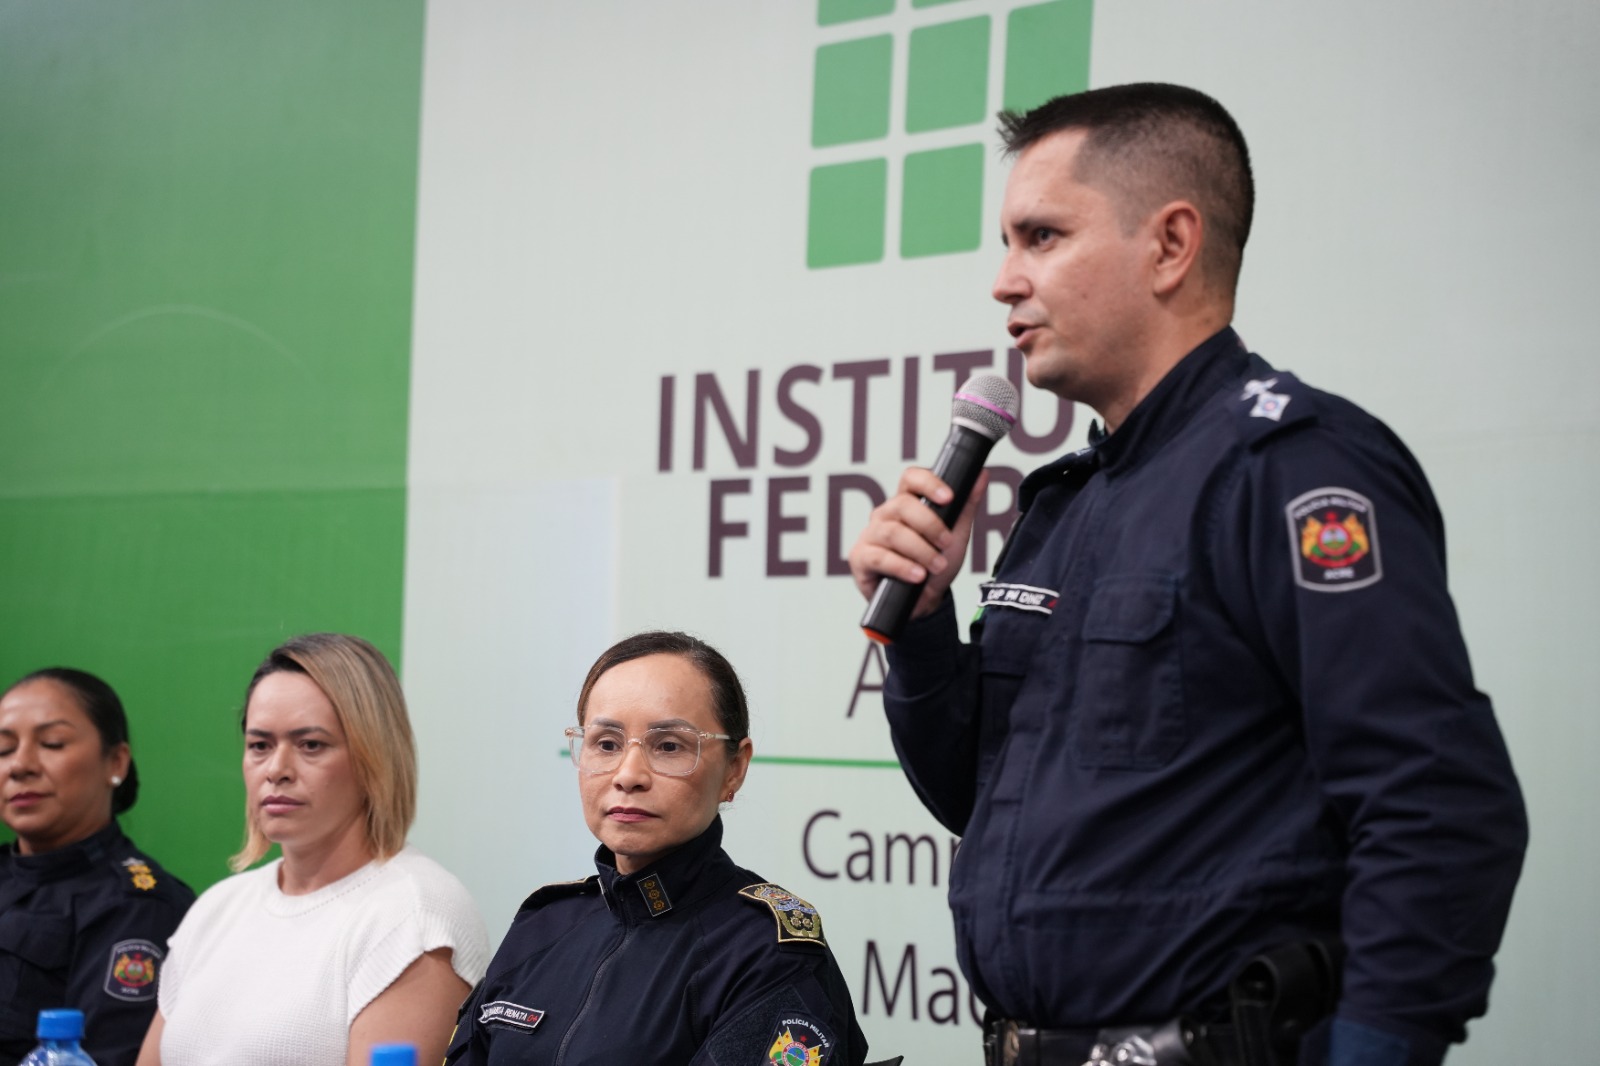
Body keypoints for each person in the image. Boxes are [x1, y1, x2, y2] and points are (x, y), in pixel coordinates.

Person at [847, 83, 1527, 1066]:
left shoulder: (1295, 467)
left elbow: (1436, 804)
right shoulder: (1063, 502)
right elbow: (978, 795)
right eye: (1007, 241)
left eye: (1041, 237)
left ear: (1170, 244)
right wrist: (919, 626)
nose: (1003, 280)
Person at [445, 631, 869, 1066]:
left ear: (734, 769)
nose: (628, 775)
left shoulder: (765, 953)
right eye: (606, 744)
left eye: (669, 746)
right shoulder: (545, 925)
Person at [137, 633, 488, 1066]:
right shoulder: (217, 908)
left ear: (373, 757)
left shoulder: (416, 915)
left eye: (311, 745)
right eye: (260, 745)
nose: (277, 770)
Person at [0, 668, 194, 1066]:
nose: (19, 765)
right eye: (3, 749)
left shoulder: (137, 905)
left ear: (116, 762)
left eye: (52, 743)